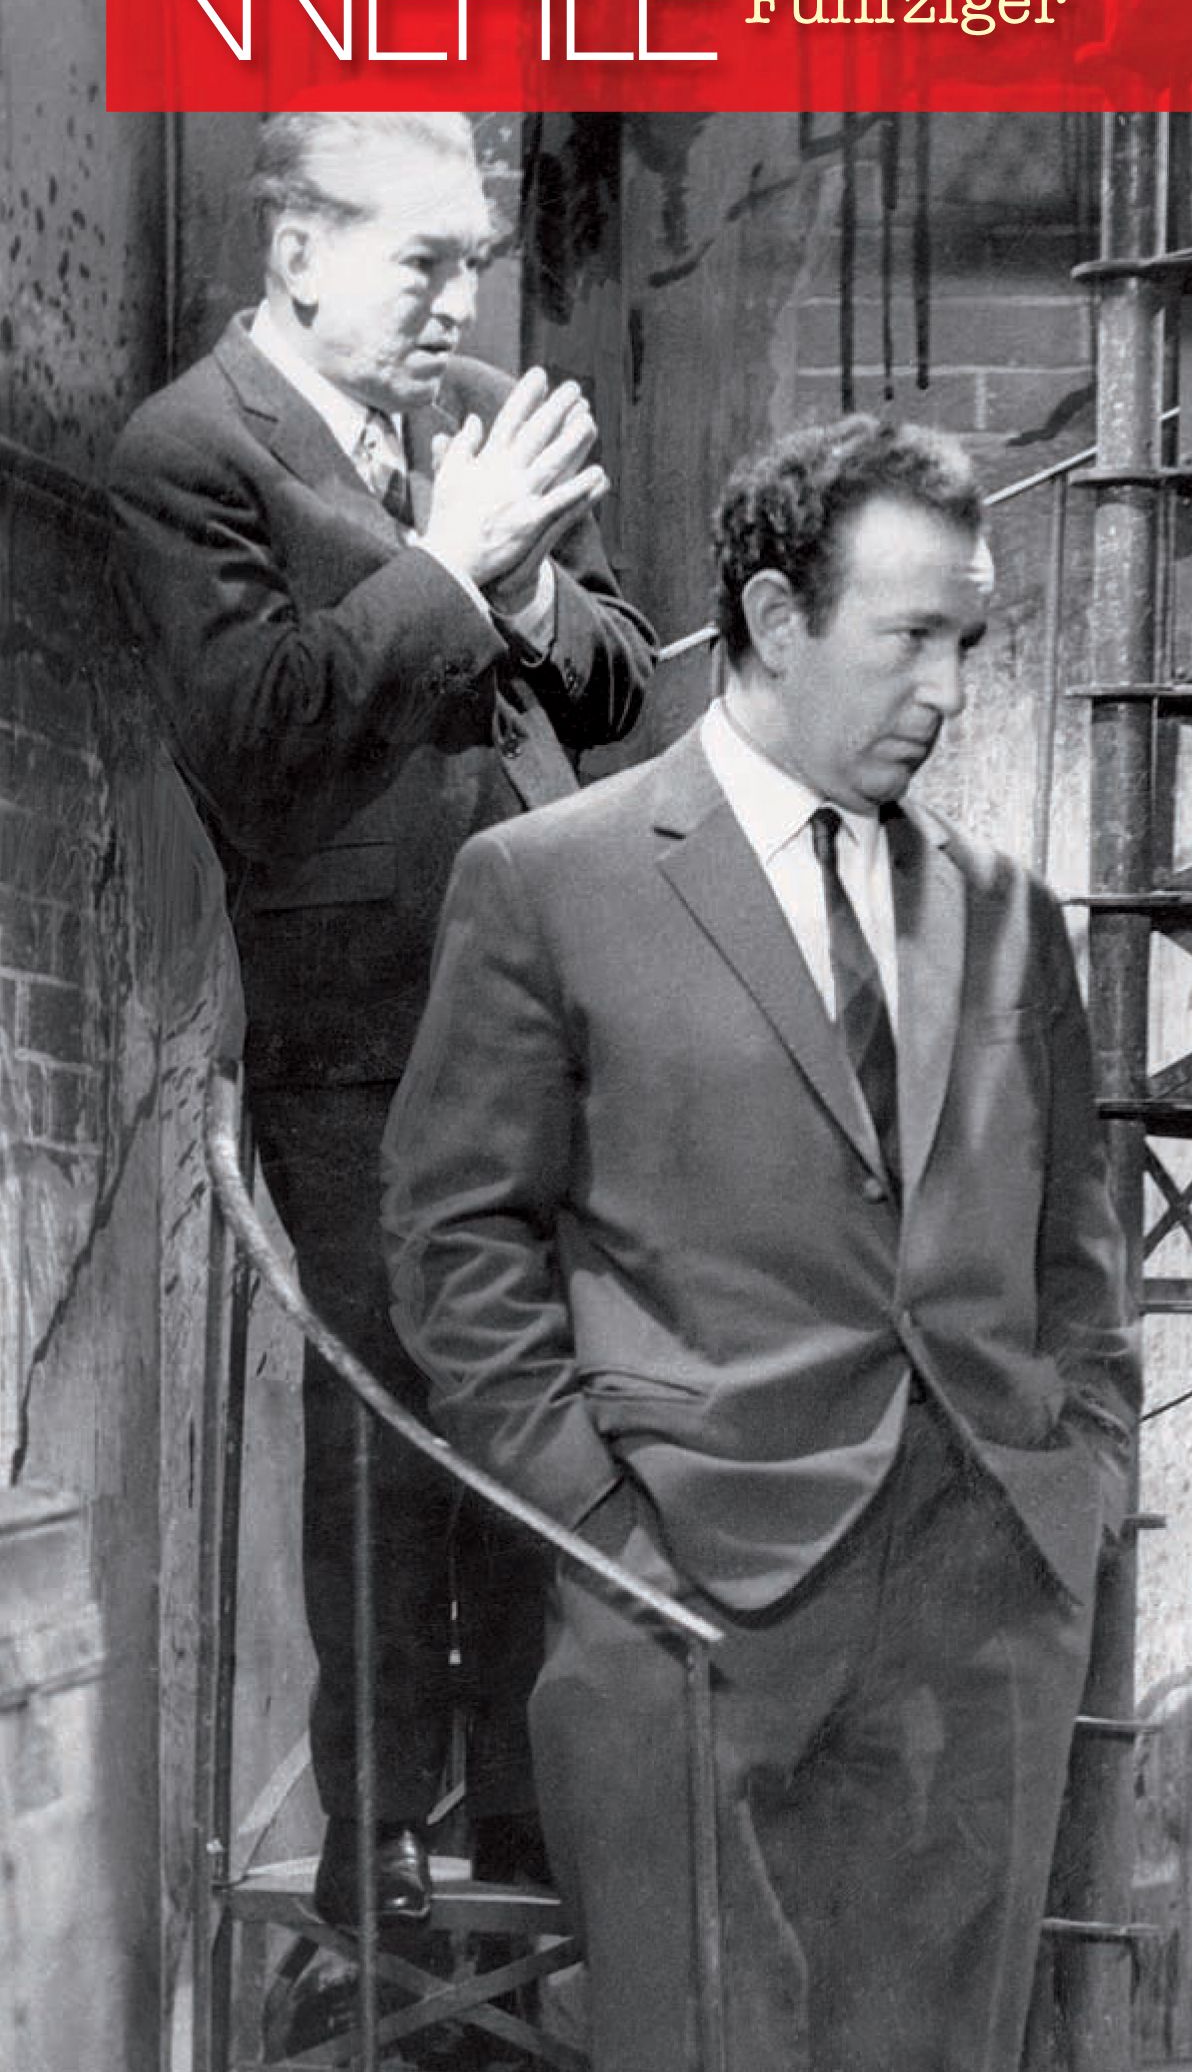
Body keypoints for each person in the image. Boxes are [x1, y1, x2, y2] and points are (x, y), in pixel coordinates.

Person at [382, 412, 1139, 2071]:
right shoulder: (548, 882)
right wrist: (599, 1525)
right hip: (684, 1595)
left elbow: (1072, 1237)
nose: (948, 691)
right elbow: (454, 1239)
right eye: (909, 637)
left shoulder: (1004, 911)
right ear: (778, 618)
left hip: (980, 1592)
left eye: (966, 644)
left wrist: (1077, 1475)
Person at [109, 110, 656, 1930]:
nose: (459, 303)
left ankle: (525, 1812)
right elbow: (255, 739)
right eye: (424, 263)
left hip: (546, 1013)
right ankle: (384, 1839)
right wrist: (452, 563)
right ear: (299, 253)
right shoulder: (191, 454)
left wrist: (531, 581)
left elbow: (617, 685)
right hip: (356, 1029)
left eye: (473, 264)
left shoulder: (476, 417)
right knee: (385, 1424)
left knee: (539, 1403)